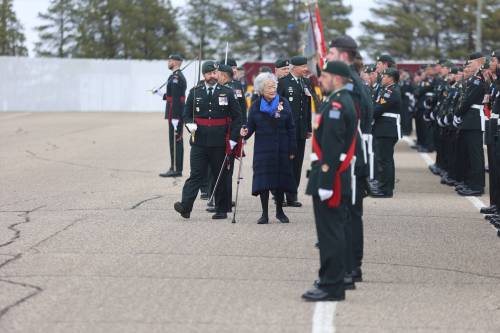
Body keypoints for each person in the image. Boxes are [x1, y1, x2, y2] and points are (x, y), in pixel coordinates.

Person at [302, 61, 358, 302]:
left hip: (331, 177)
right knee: (330, 232)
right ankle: (329, 280)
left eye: (324, 76)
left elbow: (333, 147)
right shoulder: (338, 99)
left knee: (330, 234)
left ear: (336, 78)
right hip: (332, 175)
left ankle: (332, 285)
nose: (320, 79)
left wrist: (325, 181)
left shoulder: (337, 104)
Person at [326, 35, 374, 285]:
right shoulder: (349, 80)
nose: (328, 58)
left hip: (350, 157)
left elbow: (356, 119)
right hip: (350, 154)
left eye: (331, 54)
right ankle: (349, 265)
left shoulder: (351, 83)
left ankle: (350, 267)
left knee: (348, 214)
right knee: (347, 213)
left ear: (343, 56)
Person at [174, 61, 242, 220]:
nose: (212, 76)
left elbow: (237, 117)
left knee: (220, 175)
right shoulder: (195, 92)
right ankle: (185, 206)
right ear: (203, 75)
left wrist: (233, 139)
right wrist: (191, 127)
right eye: (209, 73)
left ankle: (221, 209)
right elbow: (186, 114)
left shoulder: (227, 92)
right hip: (199, 141)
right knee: (196, 174)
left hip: (220, 142)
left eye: (215, 73)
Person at [240, 73, 297, 224]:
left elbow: (291, 127)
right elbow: (249, 127)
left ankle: (280, 211)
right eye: (269, 87)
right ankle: (264, 214)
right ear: (260, 89)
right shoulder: (255, 106)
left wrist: (292, 149)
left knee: (280, 182)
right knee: (263, 181)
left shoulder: (284, 103)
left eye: (274, 86)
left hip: (282, 149)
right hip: (263, 149)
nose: (273, 89)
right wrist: (244, 132)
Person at [277, 55, 313, 207]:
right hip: (286, 130)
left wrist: (309, 127)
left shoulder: (306, 82)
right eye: (303, 66)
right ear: (294, 68)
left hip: (300, 130)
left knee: (297, 163)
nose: (306, 69)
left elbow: (308, 108)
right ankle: (281, 195)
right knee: (285, 162)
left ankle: (292, 195)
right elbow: (277, 106)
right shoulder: (283, 83)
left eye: (306, 66)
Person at [455, 52, 486, 196]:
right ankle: (470, 182)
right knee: (469, 154)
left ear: (479, 61)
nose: (469, 65)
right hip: (469, 118)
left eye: (471, 63)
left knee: (475, 155)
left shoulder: (480, 77)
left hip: (475, 119)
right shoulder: (475, 77)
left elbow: (470, 99)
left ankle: (477, 186)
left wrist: (458, 113)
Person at [371, 68, 402, 198]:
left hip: (387, 129)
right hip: (383, 128)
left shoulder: (391, 91)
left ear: (391, 78)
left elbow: (379, 108)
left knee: (385, 159)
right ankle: (383, 185)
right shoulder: (386, 90)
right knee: (383, 159)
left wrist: (367, 115)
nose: (382, 78)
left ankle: (386, 189)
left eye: (384, 76)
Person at [157, 54, 187, 178]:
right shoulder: (174, 76)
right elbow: (171, 96)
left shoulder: (176, 77)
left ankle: (176, 169)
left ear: (175, 62)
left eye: (169, 60)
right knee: (174, 140)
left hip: (175, 113)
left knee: (176, 141)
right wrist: (160, 94)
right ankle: (174, 167)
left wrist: (175, 117)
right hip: (174, 111)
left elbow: (175, 99)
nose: (168, 62)